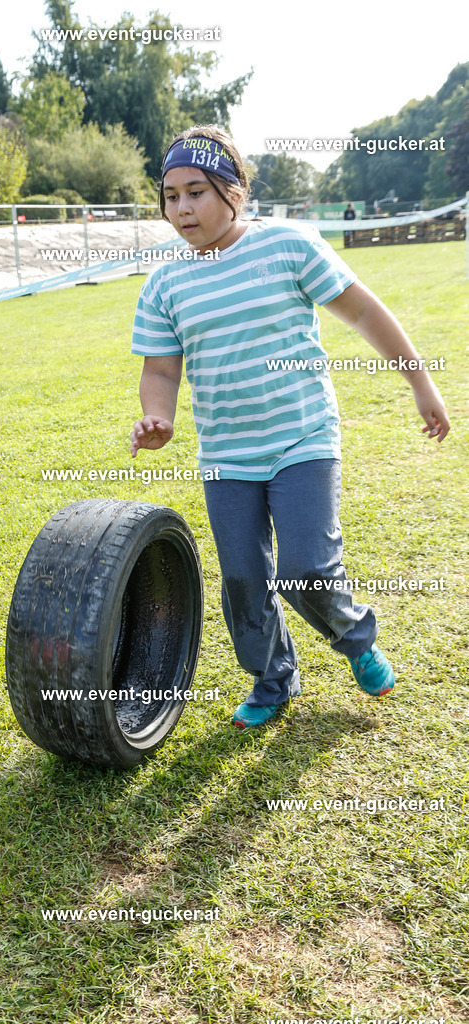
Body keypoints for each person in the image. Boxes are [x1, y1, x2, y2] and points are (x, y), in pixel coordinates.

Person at [130, 125, 450, 730]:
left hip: (302, 437)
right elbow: (162, 372)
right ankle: (273, 678)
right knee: (245, 579)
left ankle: (356, 637)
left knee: (306, 567)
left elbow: (364, 312)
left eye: (196, 191)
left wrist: (419, 381)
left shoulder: (289, 246)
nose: (182, 208)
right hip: (227, 455)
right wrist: (159, 417)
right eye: (171, 196)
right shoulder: (165, 284)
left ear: (234, 190)